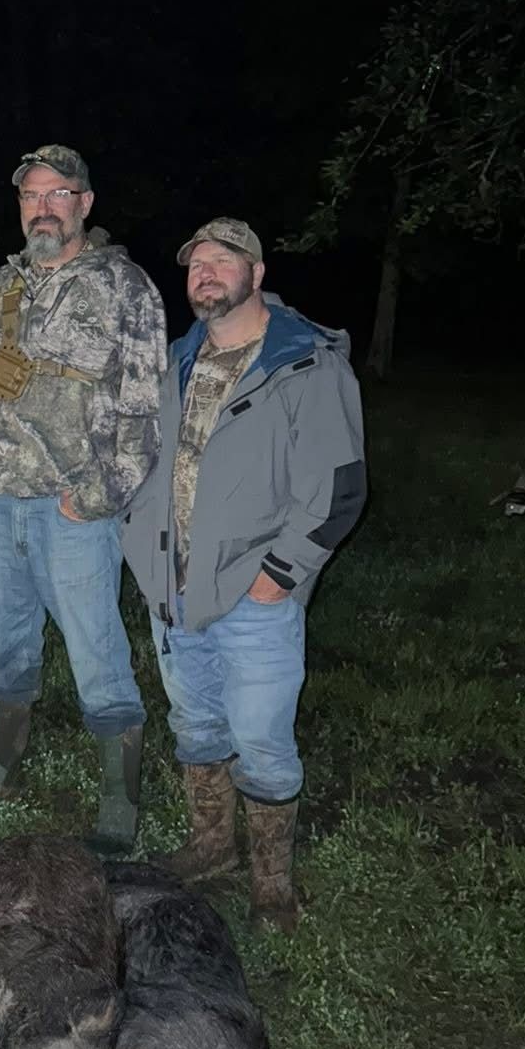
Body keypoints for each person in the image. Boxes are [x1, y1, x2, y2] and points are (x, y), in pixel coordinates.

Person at [122, 217, 366, 930]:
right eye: (196, 263)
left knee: (261, 736)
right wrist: (140, 545)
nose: (207, 271)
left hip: (255, 591)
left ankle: (272, 883)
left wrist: (279, 574)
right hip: (175, 587)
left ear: (256, 275)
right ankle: (208, 846)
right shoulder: (177, 361)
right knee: (195, 723)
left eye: (224, 260)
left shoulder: (305, 363)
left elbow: (340, 486)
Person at [0, 144, 170, 852]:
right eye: (31, 196)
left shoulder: (125, 287)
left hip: (74, 507)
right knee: (6, 648)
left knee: (96, 652)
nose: (43, 207)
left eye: (57, 193)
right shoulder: (0, 287)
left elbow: (146, 411)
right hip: (1, 502)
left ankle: (118, 800)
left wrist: (99, 495)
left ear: (85, 204)